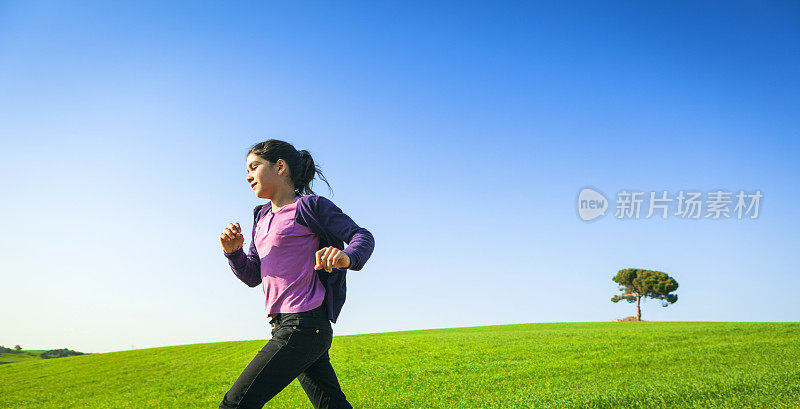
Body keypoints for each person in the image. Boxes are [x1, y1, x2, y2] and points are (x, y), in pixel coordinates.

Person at [218, 139, 375, 409]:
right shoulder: (261, 217)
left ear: (280, 166)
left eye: (254, 166)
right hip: (286, 326)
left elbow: (362, 235)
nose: (248, 176)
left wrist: (346, 257)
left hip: (303, 324)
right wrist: (234, 253)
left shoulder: (310, 207)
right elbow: (254, 275)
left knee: (235, 404)